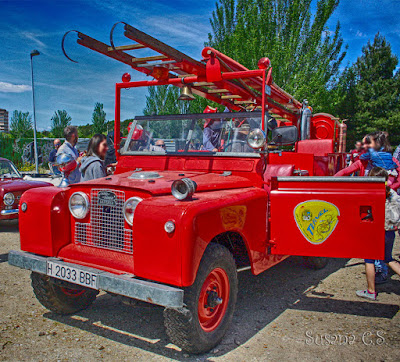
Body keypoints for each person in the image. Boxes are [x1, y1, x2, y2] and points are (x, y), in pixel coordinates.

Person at [356, 167, 400, 300]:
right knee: (388, 259)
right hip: (390, 232)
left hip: (375, 232)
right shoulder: (392, 193)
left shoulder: (371, 193)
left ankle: (370, 291)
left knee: (369, 259)